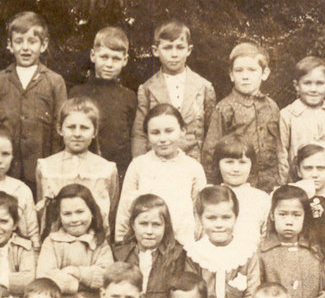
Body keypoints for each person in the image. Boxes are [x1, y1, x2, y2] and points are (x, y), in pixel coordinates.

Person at [0, 11, 67, 186]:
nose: (25, 48)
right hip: (5, 171)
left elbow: (59, 130)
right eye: (19, 41)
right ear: (10, 45)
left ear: (43, 45)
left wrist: (53, 169)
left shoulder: (54, 81)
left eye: (32, 41)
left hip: (41, 172)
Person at [116, 104, 206, 245]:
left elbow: (201, 212)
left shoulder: (193, 168)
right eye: (155, 133)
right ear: (147, 135)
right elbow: (125, 210)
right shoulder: (138, 165)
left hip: (183, 245)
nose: (163, 138)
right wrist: (121, 243)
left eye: (169, 131)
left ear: (183, 131)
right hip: (145, 245)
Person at [202, 42, 283, 190]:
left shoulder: (272, 107)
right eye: (239, 71)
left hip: (270, 183)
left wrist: (281, 181)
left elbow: (279, 147)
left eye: (252, 70)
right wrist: (211, 186)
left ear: (264, 73)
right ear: (232, 75)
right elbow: (210, 151)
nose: (245, 76)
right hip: (236, 182)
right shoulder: (225, 108)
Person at [131, 19, 215, 163]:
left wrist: (207, 171)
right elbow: (139, 134)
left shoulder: (204, 87)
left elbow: (212, 135)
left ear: (188, 50)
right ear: (155, 51)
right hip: (157, 164)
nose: (174, 54)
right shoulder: (147, 89)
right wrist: (140, 167)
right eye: (168, 48)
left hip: (194, 163)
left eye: (180, 47)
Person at [184, 185, 260, 298]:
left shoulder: (246, 252)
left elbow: (252, 291)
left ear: (236, 218)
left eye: (226, 217)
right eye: (211, 218)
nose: (219, 224)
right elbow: (191, 292)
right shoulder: (195, 253)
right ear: (200, 219)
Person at [37, 183, 114, 298]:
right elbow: (45, 279)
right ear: (60, 216)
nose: (74, 219)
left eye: (80, 212)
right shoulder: (52, 242)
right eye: (67, 214)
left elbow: (108, 276)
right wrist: (85, 283)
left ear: (91, 212)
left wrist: (77, 272)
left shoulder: (100, 243)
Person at [36, 96, 119, 225]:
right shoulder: (46, 167)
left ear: (94, 132)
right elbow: (42, 212)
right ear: (60, 129)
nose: (77, 133)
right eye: (71, 127)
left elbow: (111, 211)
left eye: (84, 128)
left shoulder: (106, 169)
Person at [69, 26, 137, 177]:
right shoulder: (77, 93)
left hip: (119, 170)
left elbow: (133, 136)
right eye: (104, 57)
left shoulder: (129, 96)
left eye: (116, 59)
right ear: (93, 56)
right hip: (83, 168)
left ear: (125, 60)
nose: (109, 64)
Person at [113, 193, 193, 298]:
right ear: (133, 224)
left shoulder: (177, 256)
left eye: (156, 225)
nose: (149, 231)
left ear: (165, 227)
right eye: (143, 224)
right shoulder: (119, 254)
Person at [259, 185, 325, 298]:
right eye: (282, 214)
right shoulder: (262, 254)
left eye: (296, 215)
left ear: (305, 216)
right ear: (272, 216)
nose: (289, 221)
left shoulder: (314, 252)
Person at [278, 55, 325, 179]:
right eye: (307, 83)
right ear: (297, 85)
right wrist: (285, 186)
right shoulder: (288, 115)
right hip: (297, 182)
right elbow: (282, 154)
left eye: (319, 83)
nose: (313, 89)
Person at [207, 135, 271, 241]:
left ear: (252, 165)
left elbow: (266, 236)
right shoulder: (208, 195)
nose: (236, 169)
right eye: (229, 162)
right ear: (218, 164)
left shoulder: (261, 198)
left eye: (242, 162)